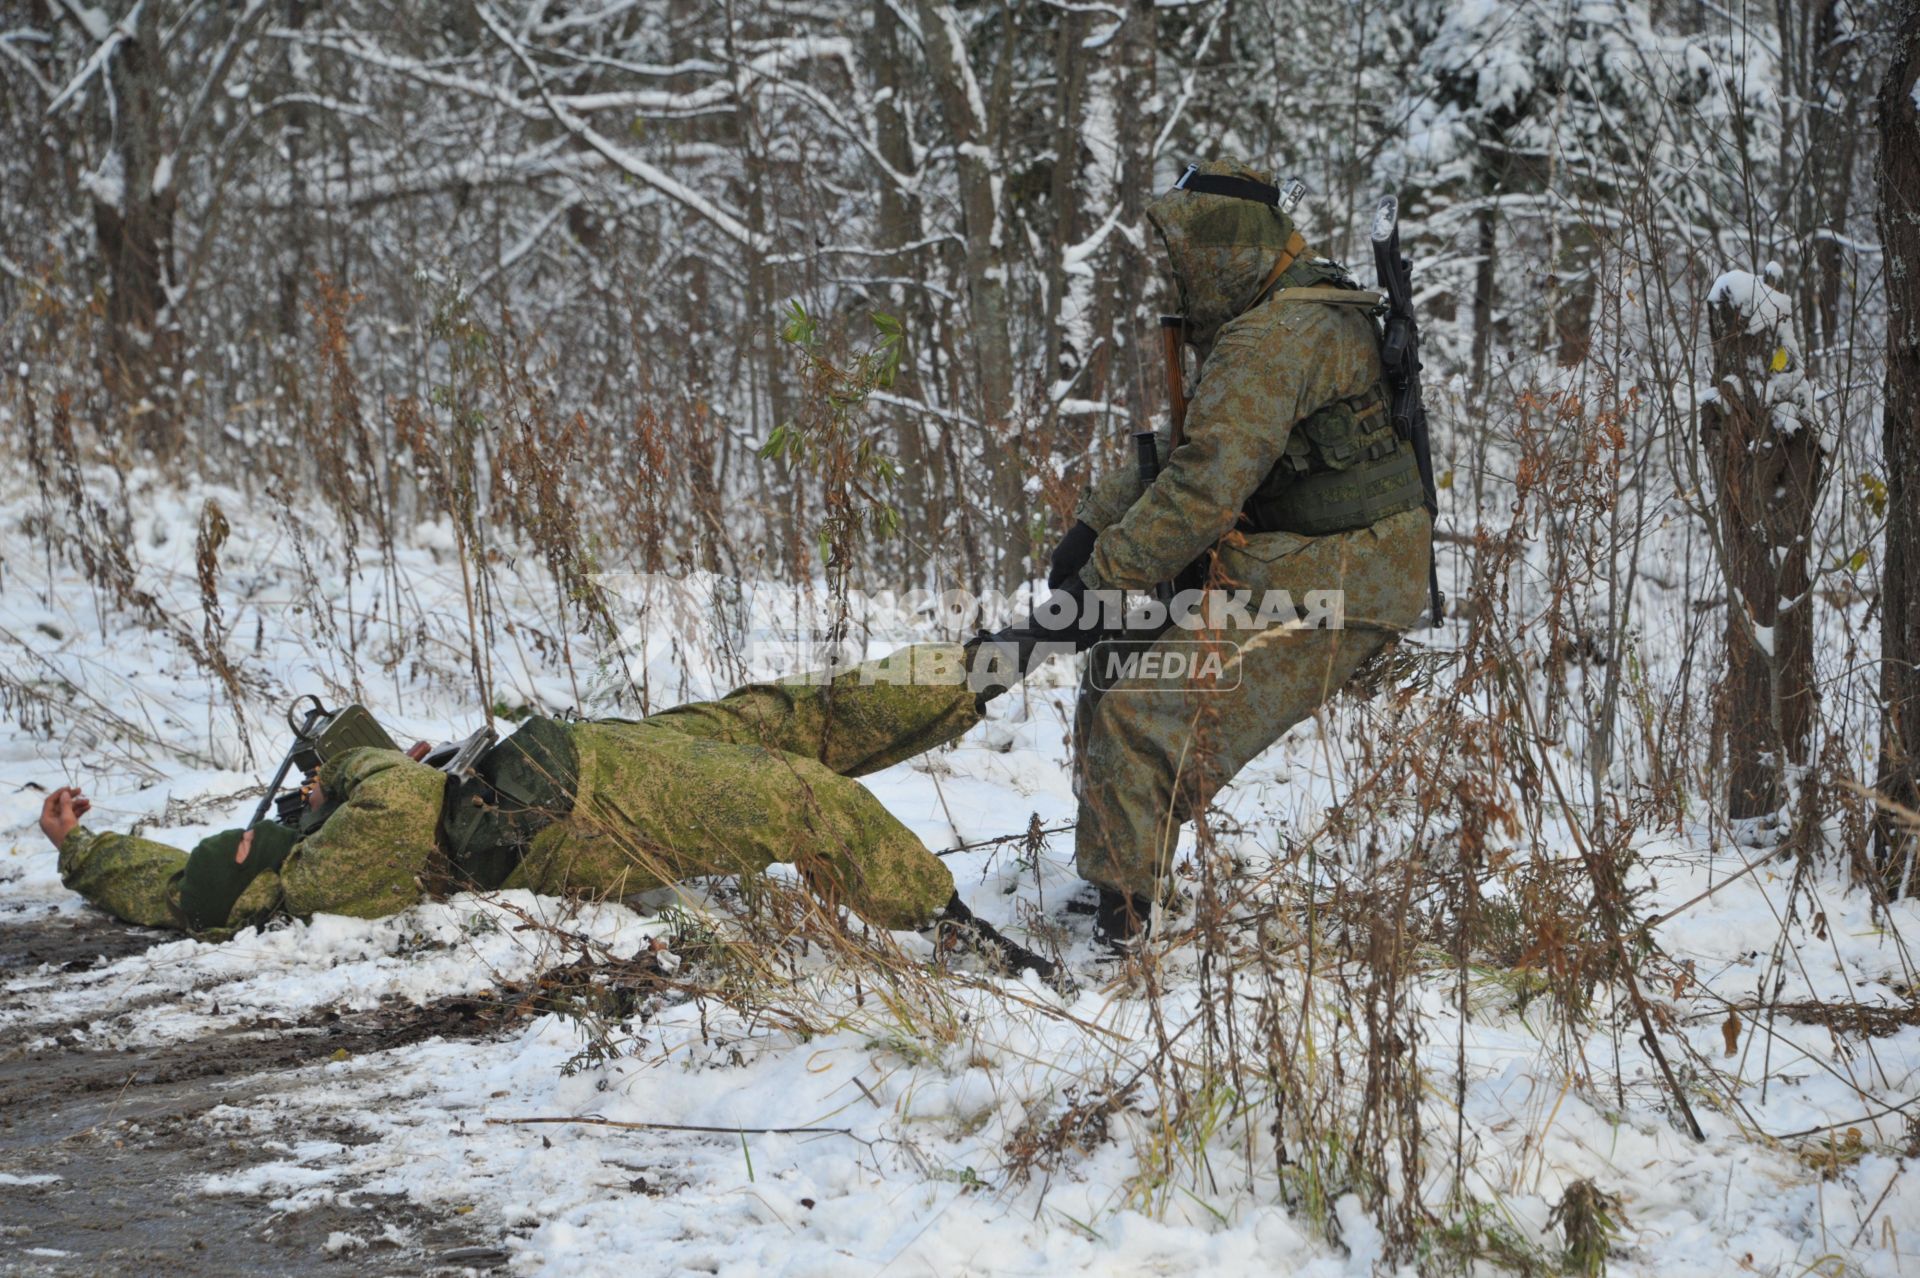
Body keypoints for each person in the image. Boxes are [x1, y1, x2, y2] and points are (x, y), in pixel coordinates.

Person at [36, 642, 1064, 986]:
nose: (266, 823)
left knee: (785, 716)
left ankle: (998, 658)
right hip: (582, 813)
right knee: (809, 800)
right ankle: (956, 936)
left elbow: (163, 884)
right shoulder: (319, 870)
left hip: (575, 754)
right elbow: (393, 803)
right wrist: (345, 770)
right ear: (257, 881)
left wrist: (78, 845)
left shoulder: (304, 834)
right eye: (253, 840)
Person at [1039, 156, 1434, 944]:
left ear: (1221, 248)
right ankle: (1119, 880)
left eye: (1185, 255)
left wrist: (1103, 577)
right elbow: (1197, 448)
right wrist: (1091, 530)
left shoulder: (1278, 334)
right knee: (1114, 661)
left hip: (1344, 580)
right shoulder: (1272, 313)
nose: (1176, 274)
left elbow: (1203, 490)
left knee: (1143, 715)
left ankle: (1121, 943)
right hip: (1291, 560)